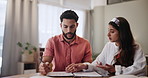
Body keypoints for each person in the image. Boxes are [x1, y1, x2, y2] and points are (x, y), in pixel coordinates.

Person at [65, 17, 147, 76]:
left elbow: (140, 68)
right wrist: (84, 66)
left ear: (122, 33)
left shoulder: (135, 47)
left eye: (112, 31)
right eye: (108, 31)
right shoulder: (109, 46)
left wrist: (116, 70)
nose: (108, 34)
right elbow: (98, 64)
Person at [39, 10, 93, 75]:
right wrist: (44, 66)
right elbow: (46, 61)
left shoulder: (85, 43)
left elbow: (88, 65)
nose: (68, 30)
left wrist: (82, 66)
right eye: (65, 26)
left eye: (72, 27)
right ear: (61, 25)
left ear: (77, 25)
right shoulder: (52, 42)